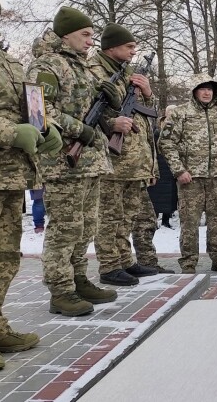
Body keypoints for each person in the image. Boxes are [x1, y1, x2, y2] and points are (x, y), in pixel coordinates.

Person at [0, 0, 63, 371]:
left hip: (8, 175)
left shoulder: (4, 58)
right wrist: (10, 133)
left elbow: (31, 105)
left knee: (2, 257)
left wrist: (44, 127)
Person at [27, 6, 117, 317]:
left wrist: (110, 101)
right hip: (62, 162)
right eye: (86, 34)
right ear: (66, 34)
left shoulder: (82, 66)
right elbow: (38, 110)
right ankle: (61, 290)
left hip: (90, 161)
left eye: (93, 35)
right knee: (65, 228)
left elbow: (91, 109)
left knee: (86, 227)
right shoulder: (46, 65)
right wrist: (82, 130)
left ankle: (79, 279)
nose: (91, 41)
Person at [87, 23, 164, 285]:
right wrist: (110, 125)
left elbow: (149, 114)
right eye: (129, 46)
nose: (134, 51)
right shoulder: (94, 72)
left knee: (126, 215)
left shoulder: (126, 73)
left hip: (134, 161)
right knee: (109, 216)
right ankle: (109, 266)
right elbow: (87, 113)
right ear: (112, 47)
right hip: (111, 160)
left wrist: (148, 92)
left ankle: (125, 260)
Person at [158, 73, 217, 275]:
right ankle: (188, 262)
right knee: (189, 222)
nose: (206, 92)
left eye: (210, 89)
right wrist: (179, 170)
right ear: (194, 91)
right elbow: (166, 143)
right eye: (202, 88)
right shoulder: (180, 114)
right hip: (190, 179)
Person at [148, 109, 178, 229]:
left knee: (169, 196)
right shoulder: (158, 130)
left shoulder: (176, 128)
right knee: (155, 196)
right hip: (159, 165)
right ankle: (154, 220)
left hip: (170, 166)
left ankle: (166, 220)